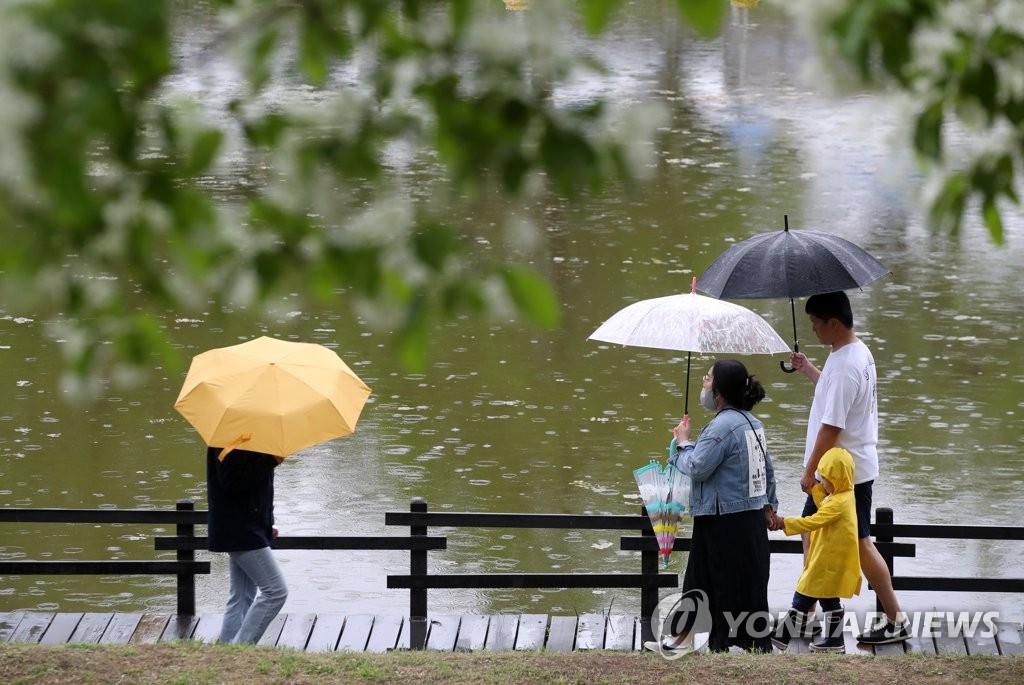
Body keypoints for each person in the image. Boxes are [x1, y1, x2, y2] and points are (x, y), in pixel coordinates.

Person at [789, 291, 909, 644]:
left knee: (858, 544)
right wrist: (809, 368)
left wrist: (809, 471)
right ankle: (807, 614)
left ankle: (894, 618)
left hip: (842, 476)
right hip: (845, 471)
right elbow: (835, 392)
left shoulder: (845, 366)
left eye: (815, 323)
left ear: (834, 323)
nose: (812, 329)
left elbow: (832, 427)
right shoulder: (853, 352)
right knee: (812, 534)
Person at [646, 359, 779, 653]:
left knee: (711, 581)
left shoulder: (720, 427)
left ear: (719, 390)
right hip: (749, 520)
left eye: (707, 380)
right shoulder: (753, 423)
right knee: (744, 583)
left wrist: (682, 442)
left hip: (722, 520)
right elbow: (767, 471)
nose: (704, 385)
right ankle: (746, 642)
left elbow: (697, 467)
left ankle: (699, 640)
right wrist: (770, 506)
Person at [772, 447, 861, 653]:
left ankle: (781, 636)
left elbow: (813, 521)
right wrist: (815, 489)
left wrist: (783, 523)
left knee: (803, 593)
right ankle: (835, 641)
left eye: (825, 478)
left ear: (838, 478)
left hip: (827, 561)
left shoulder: (838, 503)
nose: (822, 482)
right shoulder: (844, 494)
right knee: (829, 599)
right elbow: (823, 501)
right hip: (828, 558)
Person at [206, 444, 289, 644]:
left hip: (247, 526)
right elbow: (232, 482)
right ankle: (240, 649)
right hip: (240, 528)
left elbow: (253, 487)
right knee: (276, 592)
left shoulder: (249, 431)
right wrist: (271, 459)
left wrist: (266, 522)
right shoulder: (231, 435)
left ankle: (227, 651)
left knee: (242, 595)